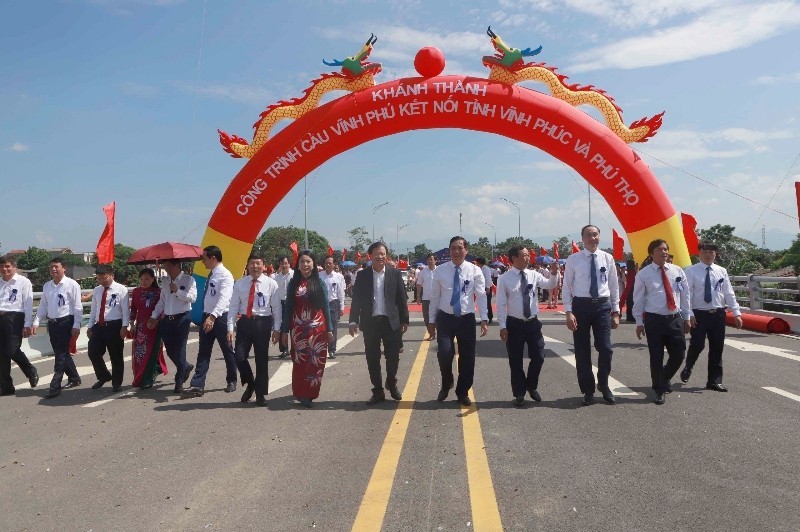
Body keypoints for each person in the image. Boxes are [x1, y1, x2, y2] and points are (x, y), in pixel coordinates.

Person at [562, 225, 621, 406]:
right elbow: (566, 287)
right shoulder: (574, 259)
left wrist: (616, 311)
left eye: (595, 235)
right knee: (582, 350)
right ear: (582, 238)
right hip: (581, 306)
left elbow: (614, 285)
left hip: (602, 306)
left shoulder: (607, 258)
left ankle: (603, 383)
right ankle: (588, 390)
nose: (592, 238)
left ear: (599, 237)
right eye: (589, 235)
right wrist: (569, 312)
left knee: (605, 348)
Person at [427, 236, 488, 407]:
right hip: (445, 318)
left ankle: (463, 391)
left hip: (466, 319)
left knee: (467, 358)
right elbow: (434, 298)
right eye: (453, 248)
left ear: (466, 250)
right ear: (449, 250)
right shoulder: (440, 271)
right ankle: (447, 382)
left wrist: (484, 318)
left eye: (460, 248)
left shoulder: (475, 270)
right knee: (444, 353)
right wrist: (431, 322)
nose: (456, 251)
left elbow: (482, 296)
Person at [496, 246, 561, 407]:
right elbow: (501, 303)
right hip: (514, 324)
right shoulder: (504, 278)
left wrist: (554, 272)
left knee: (539, 356)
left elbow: (549, 284)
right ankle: (519, 393)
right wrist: (502, 326)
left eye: (528, 255)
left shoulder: (533, 274)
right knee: (516, 361)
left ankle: (531, 386)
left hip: (533, 323)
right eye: (524, 256)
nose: (528, 258)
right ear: (513, 258)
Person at [349, 242, 409, 405]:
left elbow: (401, 298)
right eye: (376, 253)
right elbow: (356, 300)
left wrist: (405, 319)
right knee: (372, 358)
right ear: (370, 255)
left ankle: (391, 382)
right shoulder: (363, 275)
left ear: (386, 255)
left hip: (391, 322)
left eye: (382, 253)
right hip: (371, 322)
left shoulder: (394, 273)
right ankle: (378, 390)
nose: (380, 256)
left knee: (393, 357)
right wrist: (353, 320)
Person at [632, 239, 691, 405]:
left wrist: (687, 317)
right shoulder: (644, 274)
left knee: (679, 354)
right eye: (660, 249)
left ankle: (663, 379)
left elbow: (685, 296)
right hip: (654, 320)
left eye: (666, 249)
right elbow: (638, 299)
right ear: (651, 253)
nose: (664, 252)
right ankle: (659, 389)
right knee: (656, 356)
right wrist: (638, 322)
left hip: (674, 319)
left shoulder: (677, 270)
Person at [680, 241, 743, 392]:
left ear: (715, 254)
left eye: (711, 252)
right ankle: (688, 366)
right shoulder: (691, 271)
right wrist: (689, 314)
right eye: (704, 252)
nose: (708, 255)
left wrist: (736, 313)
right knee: (698, 344)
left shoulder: (721, 271)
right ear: (699, 253)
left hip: (718, 313)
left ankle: (714, 381)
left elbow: (728, 293)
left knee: (717, 347)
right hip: (699, 314)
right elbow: (686, 295)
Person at [281, 250, 334, 408]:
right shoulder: (293, 283)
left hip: (318, 330)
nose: (305, 265)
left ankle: (310, 394)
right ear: (297, 265)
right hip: (298, 330)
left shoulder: (320, 283)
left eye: (308, 261)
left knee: (315, 361)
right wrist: (284, 330)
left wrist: (330, 329)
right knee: (300, 362)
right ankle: (300, 392)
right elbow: (288, 308)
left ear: (313, 264)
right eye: (302, 262)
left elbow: (326, 307)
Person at [184, 245, 239, 397]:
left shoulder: (225, 275)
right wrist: (207, 316)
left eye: (204, 258)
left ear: (213, 258)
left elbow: (224, 298)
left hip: (220, 318)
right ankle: (197, 384)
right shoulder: (212, 274)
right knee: (203, 351)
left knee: (227, 350)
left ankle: (232, 379)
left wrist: (213, 316)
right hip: (206, 316)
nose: (203, 262)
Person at [227, 253, 281, 406]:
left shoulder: (271, 284)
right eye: (252, 263)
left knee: (261, 360)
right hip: (244, 323)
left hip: (263, 324)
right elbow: (233, 307)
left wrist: (276, 329)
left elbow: (276, 308)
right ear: (248, 265)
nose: (255, 266)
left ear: (264, 266)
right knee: (239, 357)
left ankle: (260, 393)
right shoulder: (240, 284)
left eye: (258, 263)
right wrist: (230, 327)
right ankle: (250, 384)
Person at [32, 258, 83, 399]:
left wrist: (76, 325)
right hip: (53, 323)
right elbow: (43, 305)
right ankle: (74, 377)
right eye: (51, 267)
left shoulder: (72, 285)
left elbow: (78, 307)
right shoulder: (47, 286)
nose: (53, 270)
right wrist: (36, 321)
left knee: (60, 355)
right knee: (62, 352)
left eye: (56, 267)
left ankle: (55, 386)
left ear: (64, 268)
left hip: (66, 322)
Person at [148, 259, 196, 393]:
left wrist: (177, 291)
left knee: (180, 349)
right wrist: (154, 316)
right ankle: (185, 367)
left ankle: (179, 381)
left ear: (175, 265)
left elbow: (193, 298)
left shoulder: (188, 280)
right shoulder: (165, 281)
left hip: (182, 318)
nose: (165, 267)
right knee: (170, 351)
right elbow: (162, 301)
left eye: (167, 265)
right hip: (167, 319)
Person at [86, 264, 130, 392]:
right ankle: (104, 376)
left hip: (115, 326)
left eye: (104, 278)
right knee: (93, 352)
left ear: (112, 276)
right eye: (99, 279)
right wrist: (90, 326)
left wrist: (124, 326)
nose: (101, 281)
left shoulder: (121, 289)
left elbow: (125, 310)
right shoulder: (97, 290)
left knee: (116, 356)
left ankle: (117, 383)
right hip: (99, 326)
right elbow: (94, 309)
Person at [0, 255, 38, 395]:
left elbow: (28, 304)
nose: (4, 269)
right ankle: (6, 386)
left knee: (12, 349)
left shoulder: (23, 281)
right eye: (2, 266)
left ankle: (30, 370)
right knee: (2, 355)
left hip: (15, 317)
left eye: (7, 266)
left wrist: (27, 323)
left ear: (14, 267)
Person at [130, 268, 167, 389]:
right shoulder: (136, 292)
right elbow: (133, 309)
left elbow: (162, 309)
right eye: (141, 279)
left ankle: (147, 379)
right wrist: (132, 324)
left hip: (154, 326)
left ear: (153, 279)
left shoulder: (159, 292)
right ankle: (141, 376)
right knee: (139, 354)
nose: (143, 281)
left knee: (151, 352)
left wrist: (157, 320)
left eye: (146, 279)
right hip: (141, 327)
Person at [321, 256, 345, 359]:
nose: (328, 265)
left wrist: (342, 307)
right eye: (326, 263)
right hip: (321, 304)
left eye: (330, 263)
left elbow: (341, 293)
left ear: (334, 264)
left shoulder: (339, 277)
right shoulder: (319, 276)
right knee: (321, 328)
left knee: (333, 328)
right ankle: (321, 349)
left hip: (333, 304)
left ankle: (331, 350)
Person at [272, 256, 293, 358]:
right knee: (281, 326)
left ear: (289, 264)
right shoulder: (276, 278)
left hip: (292, 303)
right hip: (280, 304)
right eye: (282, 263)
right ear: (280, 265)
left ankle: (295, 348)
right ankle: (284, 349)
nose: (284, 265)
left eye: (286, 263)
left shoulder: (294, 275)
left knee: (293, 326)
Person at [415, 253, 437, 328]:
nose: (430, 261)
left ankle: (438, 331)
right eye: (428, 260)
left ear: (435, 261)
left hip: (438, 298)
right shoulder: (423, 272)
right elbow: (419, 285)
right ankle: (430, 332)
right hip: (426, 298)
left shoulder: (439, 271)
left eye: (431, 259)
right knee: (426, 317)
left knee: (438, 316)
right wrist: (418, 297)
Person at [476, 257, 494, 323]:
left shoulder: (486, 269)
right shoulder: (478, 268)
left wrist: (488, 287)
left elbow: (488, 279)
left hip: (486, 288)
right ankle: (484, 318)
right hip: (481, 287)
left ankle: (490, 317)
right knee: (482, 303)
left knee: (487, 303)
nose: (476, 264)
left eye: (477, 262)